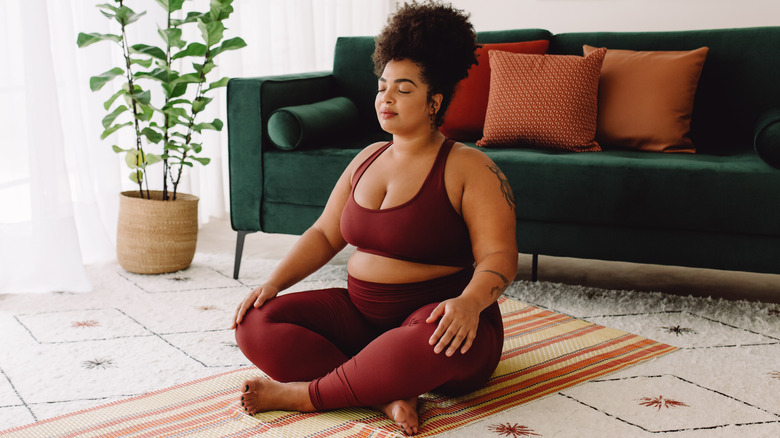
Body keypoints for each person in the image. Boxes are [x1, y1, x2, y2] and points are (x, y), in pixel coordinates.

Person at [231, 1, 517, 435]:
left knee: (419, 346)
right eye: (383, 86)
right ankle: (385, 392)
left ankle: (305, 395)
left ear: (434, 101)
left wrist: (469, 303)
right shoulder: (366, 159)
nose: (386, 98)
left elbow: (499, 256)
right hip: (362, 321)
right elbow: (325, 233)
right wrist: (273, 283)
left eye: (403, 89)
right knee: (254, 322)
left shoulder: (471, 168)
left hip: (442, 322)